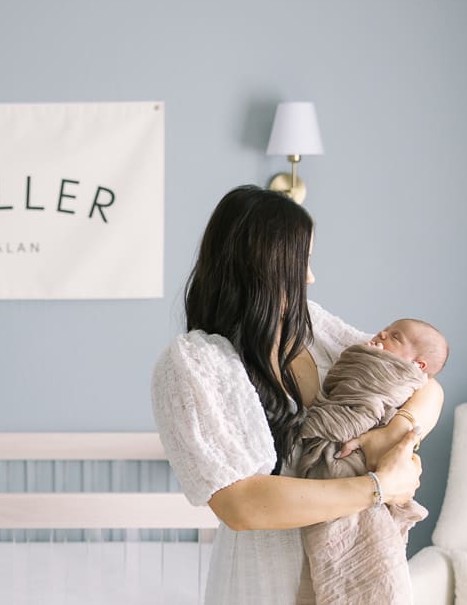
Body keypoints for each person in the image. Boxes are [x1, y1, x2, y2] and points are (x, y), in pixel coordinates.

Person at [151, 185, 444, 603]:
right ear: (267, 265)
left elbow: (425, 384)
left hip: (354, 560)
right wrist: (381, 486)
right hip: (268, 580)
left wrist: (397, 431)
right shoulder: (193, 364)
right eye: (302, 262)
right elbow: (241, 504)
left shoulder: (310, 325)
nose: (310, 276)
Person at [294, 320, 449, 604]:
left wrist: (394, 432)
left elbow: (431, 390)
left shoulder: (314, 321)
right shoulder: (366, 351)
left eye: (395, 337)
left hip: (355, 457)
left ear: (419, 365)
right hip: (338, 483)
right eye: (386, 331)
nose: (381, 335)